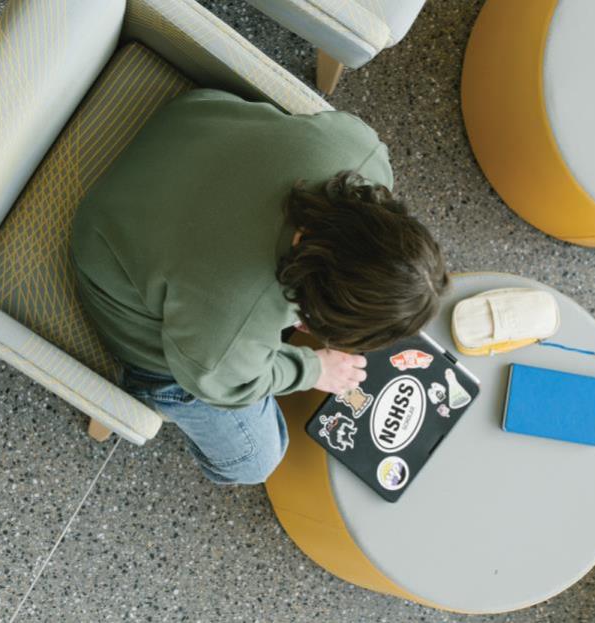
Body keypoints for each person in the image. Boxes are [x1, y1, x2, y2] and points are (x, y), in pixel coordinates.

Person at [69, 89, 449, 484]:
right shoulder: (231, 321)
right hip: (108, 259)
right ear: (310, 311)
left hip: (185, 129)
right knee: (256, 460)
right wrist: (312, 368)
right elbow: (222, 383)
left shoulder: (363, 154)